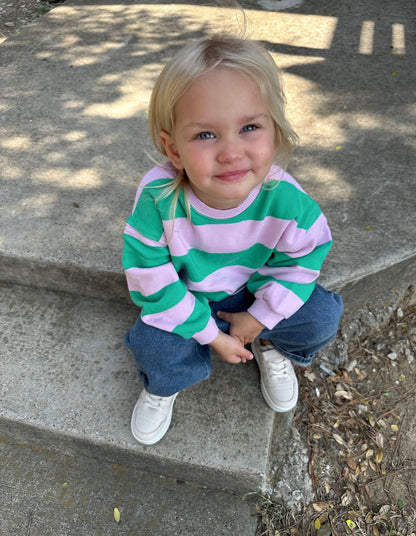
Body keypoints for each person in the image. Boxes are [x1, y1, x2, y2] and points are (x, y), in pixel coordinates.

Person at [122, 33, 343, 445]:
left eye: (249, 127)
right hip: (187, 297)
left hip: (257, 291)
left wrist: (261, 317)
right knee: (154, 345)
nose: (231, 152)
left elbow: (301, 262)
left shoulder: (288, 202)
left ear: (274, 132)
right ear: (174, 149)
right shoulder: (159, 200)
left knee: (321, 316)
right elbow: (150, 278)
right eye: (206, 135)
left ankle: (269, 342)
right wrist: (211, 335)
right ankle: (166, 382)